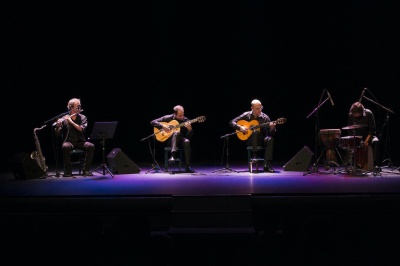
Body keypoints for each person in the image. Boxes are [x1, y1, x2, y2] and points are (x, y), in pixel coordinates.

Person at [229, 99, 276, 173]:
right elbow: (232, 122)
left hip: (262, 140)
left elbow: (271, 133)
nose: (259, 110)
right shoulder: (246, 115)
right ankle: (254, 156)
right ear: (252, 108)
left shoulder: (265, 118)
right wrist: (240, 127)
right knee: (255, 132)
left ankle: (267, 165)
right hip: (250, 140)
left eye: (260, 108)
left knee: (270, 139)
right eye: (257, 109)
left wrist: (272, 128)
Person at [54, 98, 95, 177]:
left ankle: (86, 170)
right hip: (69, 141)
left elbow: (82, 130)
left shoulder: (83, 117)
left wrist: (71, 122)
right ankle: (68, 172)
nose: (79, 108)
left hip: (80, 142)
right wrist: (58, 126)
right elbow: (57, 134)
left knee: (91, 146)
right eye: (77, 107)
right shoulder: (65, 118)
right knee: (65, 146)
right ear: (71, 107)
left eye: (80, 106)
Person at [150, 105, 195, 173]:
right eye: (180, 115)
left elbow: (188, 137)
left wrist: (190, 130)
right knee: (176, 133)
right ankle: (172, 155)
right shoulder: (168, 118)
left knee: (187, 141)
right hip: (169, 140)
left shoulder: (186, 120)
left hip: (180, 140)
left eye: (183, 115)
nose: (182, 117)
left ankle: (187, 166)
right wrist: (163, 126)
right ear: (175, 114)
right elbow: (153, 122)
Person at [346, 101, 380, 170]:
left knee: (376, 141)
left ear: (361, 112)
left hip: (368, 136)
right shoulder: (351, 115)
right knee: (348, 142)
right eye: (353, 114)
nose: (354, 115)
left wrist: (366, 141)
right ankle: (353, 163)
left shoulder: (369, 113)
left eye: (356, 114)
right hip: (357, 136)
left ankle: (375, 164)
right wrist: (354, 139)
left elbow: (372, 129)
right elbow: (349, 130)